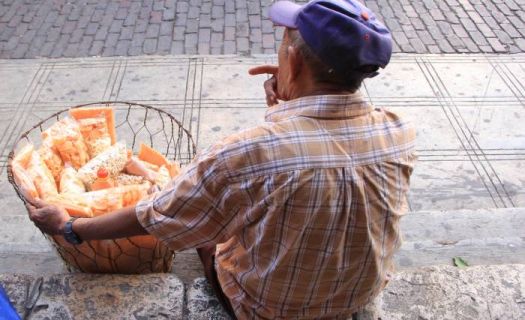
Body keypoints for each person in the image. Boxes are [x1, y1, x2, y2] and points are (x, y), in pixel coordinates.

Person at [28, 0, 416, 319]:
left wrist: (72, 227)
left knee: (205, 217)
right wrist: (293, 101)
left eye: (283, 45)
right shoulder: (400, 132)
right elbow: (320, 155)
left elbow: (158, 216)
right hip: (356, 297)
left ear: (294, 61)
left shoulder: (245, 152)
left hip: (271, 310)